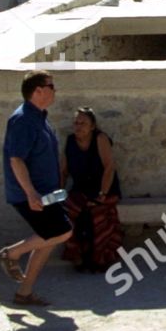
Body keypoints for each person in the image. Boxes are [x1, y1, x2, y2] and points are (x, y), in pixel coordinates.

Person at [0, 71, 73, 307]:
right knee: (63, 231)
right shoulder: (23, 120)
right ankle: (11, 253)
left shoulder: (39, 117)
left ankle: (25, 292)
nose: (54, 90)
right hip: (30, 195)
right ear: (38, 91)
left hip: (46, 193)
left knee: (49, 239)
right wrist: (30, 193)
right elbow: (16, 160)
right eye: (51, 86)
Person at [59, 107, 123, 273]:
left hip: (104, 189)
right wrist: (58, 192)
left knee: (98, 213)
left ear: (92, 126)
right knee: (67, 212)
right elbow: (64, 171)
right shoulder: (70, 141)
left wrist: (102, 194)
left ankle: (100, 259)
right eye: (76, 123)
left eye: (83, 123)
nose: (78, 126)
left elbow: (109, 167)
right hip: (80, 190)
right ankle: (77, 255)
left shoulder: (100, 139)